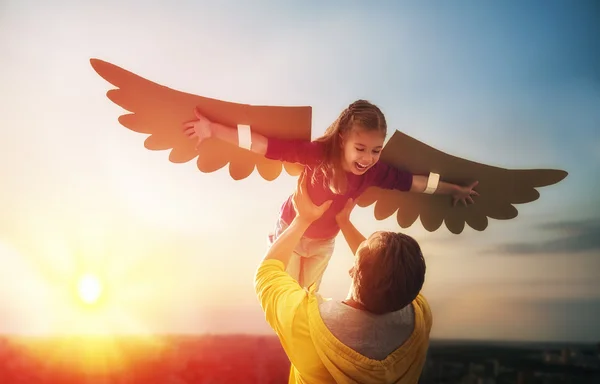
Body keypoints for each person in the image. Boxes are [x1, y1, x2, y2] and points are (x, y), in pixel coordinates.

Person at [184, 99, 478, 290]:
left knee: (307, 302)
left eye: (376, 150)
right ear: (342, 140)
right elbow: (265, 146)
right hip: (292, 233)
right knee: (284, 298)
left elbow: (415, 182)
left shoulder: (376, 172)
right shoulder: (317, 154)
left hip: (323, 244)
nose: (367, 158)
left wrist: (454, 189)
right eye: (360, 149)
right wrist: (213, 130)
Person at [254, 174, 433, 383]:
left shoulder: (308, 323)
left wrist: (302, 219)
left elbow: (267, 273)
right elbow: (391, 271)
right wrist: (344, 222)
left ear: (352, 270)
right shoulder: (420, 316)